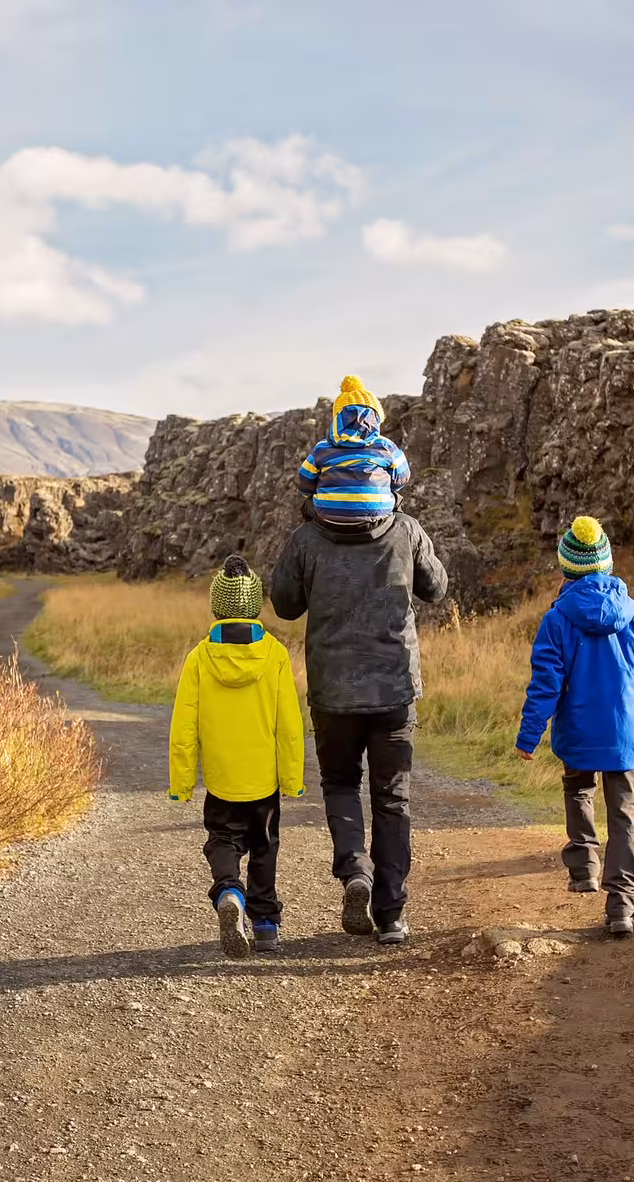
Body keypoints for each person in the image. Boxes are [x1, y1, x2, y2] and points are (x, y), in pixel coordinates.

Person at [269, 474, 447, 947]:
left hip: (333, 692)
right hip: (394, 690)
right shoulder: (405, 529)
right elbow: (437, 588)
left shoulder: (305, 538)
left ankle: (354, 870)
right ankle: (390, 916)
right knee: (392, 797)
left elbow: (284, 604)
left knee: (341, 783)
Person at [515, 515, 634, 939]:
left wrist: (528, 737)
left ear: (567, 568)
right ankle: (621, 904)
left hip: (579, 732)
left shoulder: (556, 619)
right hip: (625, 734)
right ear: (607, 564)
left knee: (578, 788)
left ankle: (583, 868)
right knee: (624, 816)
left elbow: (545, 684)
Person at [168, 555, 306, 959]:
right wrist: (293, 779)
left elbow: (184, 726)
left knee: (223, 840)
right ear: (255, 606)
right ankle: (265, 925)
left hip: (222, 779)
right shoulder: (275, 654)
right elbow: (289, 724)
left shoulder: (199, 658)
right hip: (263, 780)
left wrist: (181, 784)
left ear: (216, 607)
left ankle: (229, 891)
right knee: (264, 848)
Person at [297, 375, 411, 527]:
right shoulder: (386, 446)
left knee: (308, 504)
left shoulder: (322, 448)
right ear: (376, 418)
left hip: (328, 515)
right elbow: (402, 477)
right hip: (376, 516)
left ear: (337, 419)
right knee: (397, 500)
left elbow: (303, 481)